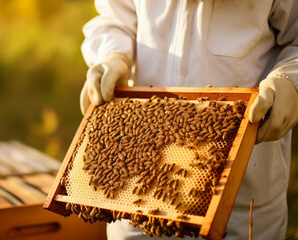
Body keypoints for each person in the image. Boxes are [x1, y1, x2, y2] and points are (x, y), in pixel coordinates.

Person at [79, 1, 298, 239]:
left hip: (242, 199)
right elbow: (116, 18)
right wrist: (113, 54)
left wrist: (290, 80)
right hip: (135, 189)